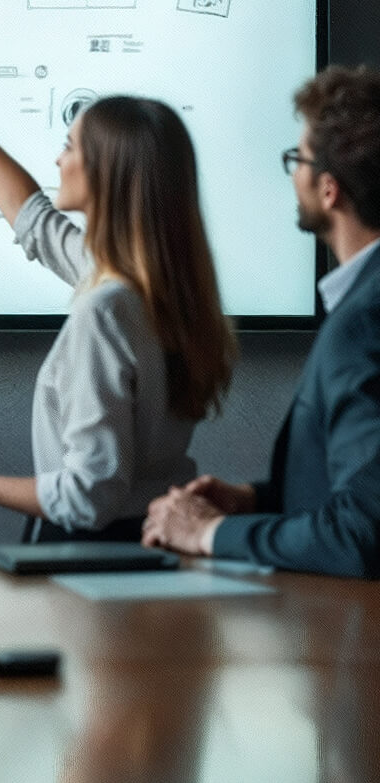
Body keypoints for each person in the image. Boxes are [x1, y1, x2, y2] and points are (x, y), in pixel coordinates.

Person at [0, 45, 236, 540]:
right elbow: (32, 218)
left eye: (70, 147)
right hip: (161, 540)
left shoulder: (105, 309)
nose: (58, 158)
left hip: (94, 553)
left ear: (106, 174)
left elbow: (85, 499)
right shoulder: (159, 288)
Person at [144, 66, 380, 577]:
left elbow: (363, 533)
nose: (294, 173)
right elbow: (354, 487)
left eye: (299, 160)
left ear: (329, 190)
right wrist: (255, 502)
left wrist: (206, 532)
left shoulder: (365, 323)